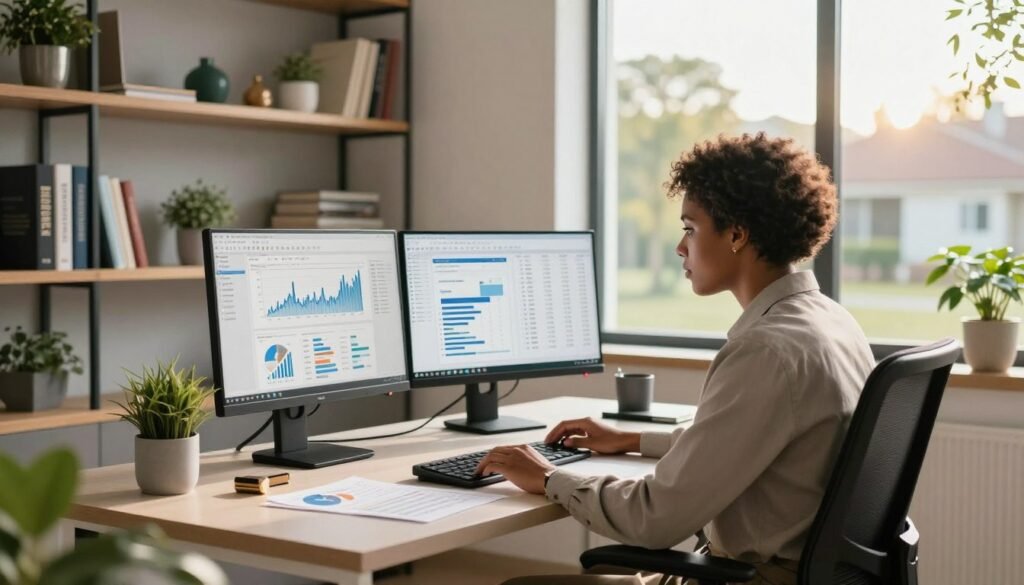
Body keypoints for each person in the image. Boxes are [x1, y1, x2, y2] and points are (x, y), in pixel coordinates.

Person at [476, 133, 875, 585]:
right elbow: (747, 441)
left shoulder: (765, 351)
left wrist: (549, 478)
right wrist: (631, 440)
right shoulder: (830, 321)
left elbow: (655, 519)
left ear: (738, 234)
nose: (680, 247)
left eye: (690, 227)